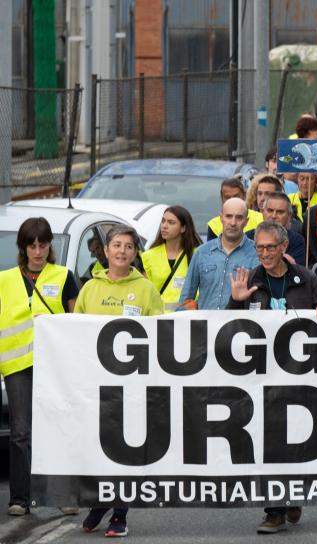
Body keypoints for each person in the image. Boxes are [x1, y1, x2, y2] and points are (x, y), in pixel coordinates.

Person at [225, 221, 317, 534]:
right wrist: (236, 300)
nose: (266, 253)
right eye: (260, 248)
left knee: (295, 441)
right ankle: (274, 511)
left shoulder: (306, 278)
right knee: (268, 442)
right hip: (261, 376)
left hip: (299, 377)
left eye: (271, 247)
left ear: (284, 248)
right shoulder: (251, 279)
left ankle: (293, 496)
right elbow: (230, 330)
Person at [76, 225, 164, 537]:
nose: (122, 251)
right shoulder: (90, 288)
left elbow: (159, 333)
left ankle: (120, 515)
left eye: (128, 246)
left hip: (132, 384)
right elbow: (75, 331)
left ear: (135, 253)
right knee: (98, 449)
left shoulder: (145, 289)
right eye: (116, 245)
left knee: (122, 451)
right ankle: (101, 502)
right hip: (95, 384)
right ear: (106, 250)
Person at [0, 218, 79, 517]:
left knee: (57, 428)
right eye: (32, 245)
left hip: (55, 364)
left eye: (43, 244)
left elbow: (76, 320)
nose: (37, 251)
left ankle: (61, 494)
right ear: (23, 247)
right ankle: (20, 498)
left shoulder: (64, 276)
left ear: (50, 246)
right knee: (21, 432)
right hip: (18, 365)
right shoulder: (4, 280)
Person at [179, 198, 260, 310]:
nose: (233, 223)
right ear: (221, 218)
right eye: (228, 216)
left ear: (246, 221)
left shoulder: (257, 253)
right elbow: (186, 298)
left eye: (239, 217)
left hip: (240, 325)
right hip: (206, 325)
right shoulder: (202, 252)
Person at [141, 206, 201, 312]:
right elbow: (143, 292)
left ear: (183, 228)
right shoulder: (148, 256)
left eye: (171, 222)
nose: (164, 226)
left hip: (186, 319)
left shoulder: (198, 255)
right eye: (163, 221)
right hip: (156, 319)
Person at [248, 192, 307, 265]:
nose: (274, 216)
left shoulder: (297, 241)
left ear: (289, 216)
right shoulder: (248, 237)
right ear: (263, 212)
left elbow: (297, 271)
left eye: (280, 212)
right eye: (270, 211)